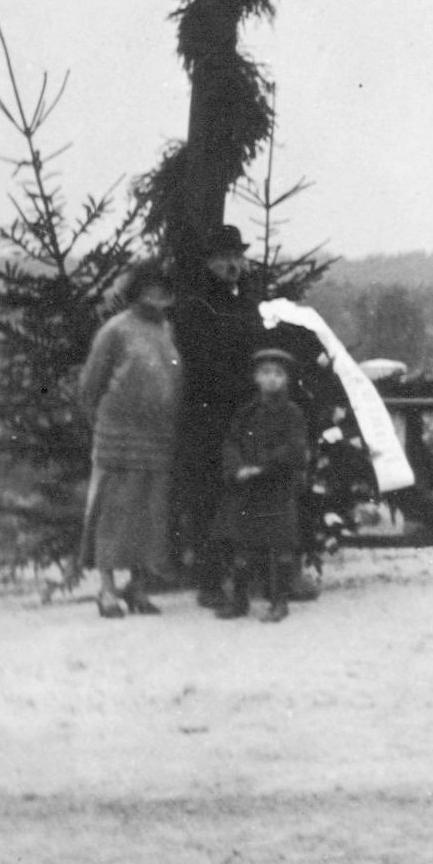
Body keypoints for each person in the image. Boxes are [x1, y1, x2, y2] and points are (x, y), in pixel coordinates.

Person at [73, 259, 183, 618]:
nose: (155, 294)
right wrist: (105, 424)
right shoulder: (115, 331)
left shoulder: (167, 329)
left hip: (157, 438)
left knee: (148, 514)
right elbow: (90, 387)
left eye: (161, 287)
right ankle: (106, 592)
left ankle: (137, 588)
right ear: (134, 291)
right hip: (118, 437)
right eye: (147, 286)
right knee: (111, 513)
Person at [168, 221, 257, 614]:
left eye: (237, 256)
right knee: (207, 497)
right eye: (224, 258)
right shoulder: (195, 305)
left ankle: (243, 577)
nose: (232, 265)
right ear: (209, 263)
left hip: (241, 412)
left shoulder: (246, 301)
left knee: (241, 493)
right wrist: (240, 386)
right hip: (207, 414)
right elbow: (202, 363)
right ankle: (208, 582)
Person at [217, 347, 311, 623]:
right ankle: (239, 600)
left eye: (278, 374)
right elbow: (231, 443)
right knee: (243, 546)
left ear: (287, 380)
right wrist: (238, 469)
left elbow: (294, 449)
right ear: (256, 378)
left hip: (277, 488)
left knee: (279, 548)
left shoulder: (292, 414)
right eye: (266, 373)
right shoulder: (247, 413)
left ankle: (279, 602)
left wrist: (263, 467)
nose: (272, 379)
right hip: (248, 490)